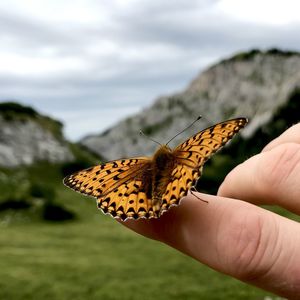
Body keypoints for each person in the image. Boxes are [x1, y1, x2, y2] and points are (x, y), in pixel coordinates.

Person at [121, 123, 300, 299]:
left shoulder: (138, 164)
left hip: (141, 193)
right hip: (173, 182)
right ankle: (169, 197)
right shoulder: (183, 152)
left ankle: (150, 202)